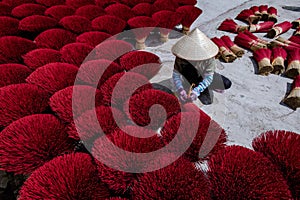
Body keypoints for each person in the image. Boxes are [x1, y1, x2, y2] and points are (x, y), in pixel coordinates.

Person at [171, 28, 232, 105]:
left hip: (203, 75)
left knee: (226, 83)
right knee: (207, 101)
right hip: (190, 75)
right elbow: (176, 75)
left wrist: (196, 91)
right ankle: (190, 84)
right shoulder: (181, 56)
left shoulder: (209, 57)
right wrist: (180, 89)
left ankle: (197, 86)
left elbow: (208, 77)